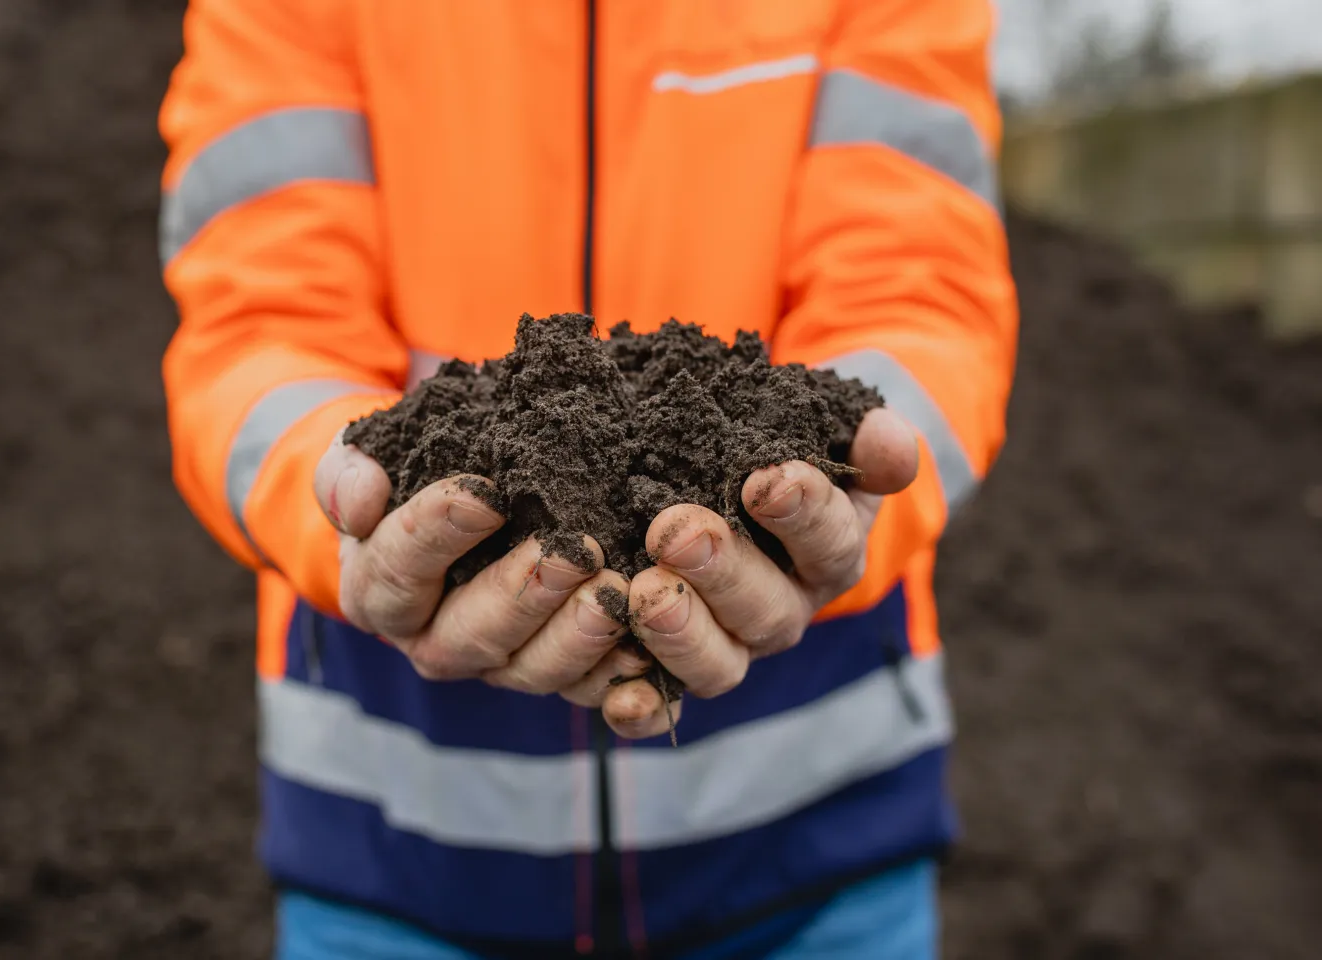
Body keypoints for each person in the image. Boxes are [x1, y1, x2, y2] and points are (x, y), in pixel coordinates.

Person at [157, 1, 1017, 957]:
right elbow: (259, 317)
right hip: (399, 840)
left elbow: (919, 288)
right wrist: (338, 504)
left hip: (814, 842)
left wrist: (846, 486)